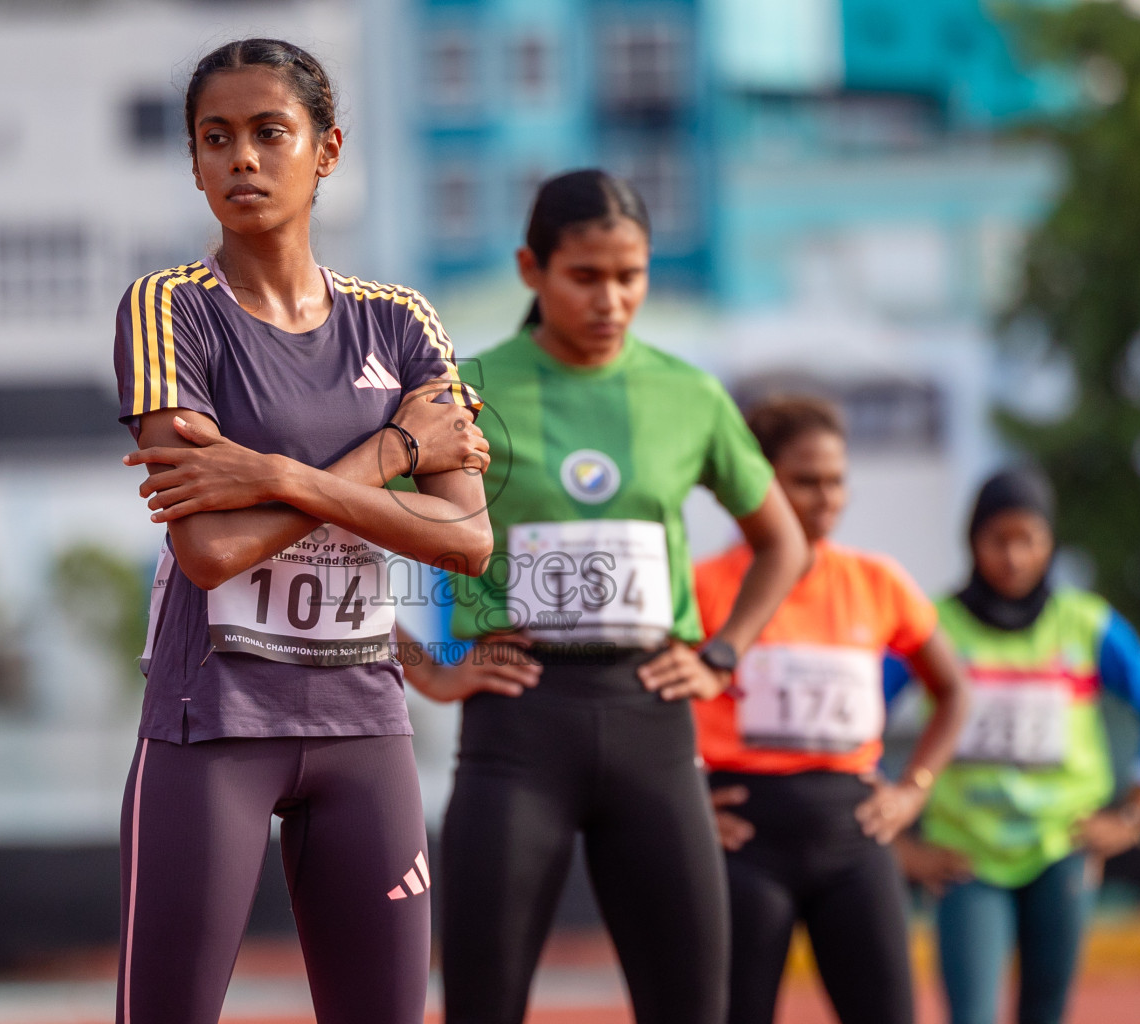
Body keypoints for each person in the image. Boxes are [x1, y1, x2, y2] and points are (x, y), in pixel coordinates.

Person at [109, 38, 494, 1024]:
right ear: (193, 163)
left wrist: (272, 474)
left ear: (326, 149)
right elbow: (211, 551)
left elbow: (463, 539)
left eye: (269, 132)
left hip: (366, 728)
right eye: (216, 138)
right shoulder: (169, 313)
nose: (242, 158)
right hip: (214, 728)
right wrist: (390, 450)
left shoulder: (403, 322)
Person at [397, 169, 811, 1024]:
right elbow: (350, 523)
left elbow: (784, 543)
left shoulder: (688, 394)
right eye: (585, 276)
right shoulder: (463, 388)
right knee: (482, 1005)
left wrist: (721, 655)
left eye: (631, 276)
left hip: (652, 722)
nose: (611, 299)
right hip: (518, 726)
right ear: (530, 269)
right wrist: (426, 666)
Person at [690, 395, 969, 1024]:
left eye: (837, 481)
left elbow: (953, 692)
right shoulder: (702, 585)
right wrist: (688, 801)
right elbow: (651, 701)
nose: (827, 498)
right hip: (743, 842)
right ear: (760, 484)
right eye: (805, 482)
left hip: (855, 837)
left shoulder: (878, 581)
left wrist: (913, 792)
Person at [894, 468, 1140, 1024]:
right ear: (973, 542)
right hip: (966, 855)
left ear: (1049, 543)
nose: (1013, 557)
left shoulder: (1085, 624)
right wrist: (896, 840)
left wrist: (1134, 812)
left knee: (1045, 1013)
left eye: (1028, 539)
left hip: (1061, 849)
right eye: (997, 540)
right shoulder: (935, 626)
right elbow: (857, 717)